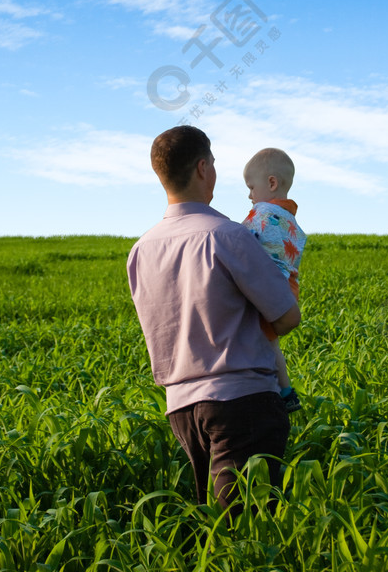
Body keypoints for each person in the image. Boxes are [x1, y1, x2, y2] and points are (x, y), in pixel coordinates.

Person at [127, 126, 301, 511]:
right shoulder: (229, 236)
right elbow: (287, 318)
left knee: (218, 531)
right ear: (204, 168)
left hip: (181, 409)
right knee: (249, 534)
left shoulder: (141, 251)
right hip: (243, 402)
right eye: (216, 165)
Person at [241, 147, 307, 414]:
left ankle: (281, 390)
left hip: (270, 287)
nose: (249, 195)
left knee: (259, 339)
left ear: (271, 183)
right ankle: (286, 389)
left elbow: (243, 241)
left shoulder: (263, 214)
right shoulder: (289, 218)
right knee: (271, 342)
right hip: (288, 287)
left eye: (251, 187)